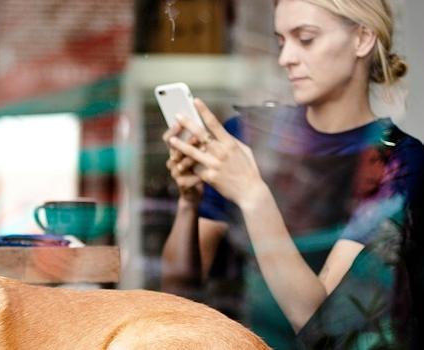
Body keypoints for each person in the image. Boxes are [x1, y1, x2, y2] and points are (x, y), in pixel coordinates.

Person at [161, 0, 423, 348]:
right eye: (282, 41)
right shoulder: (245, 135)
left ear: (362, 39)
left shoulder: (398, 162)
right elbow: (175, 291)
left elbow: (323, 325)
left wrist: (253, 195)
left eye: (306, 38)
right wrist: (188, 202)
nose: (286, 58)